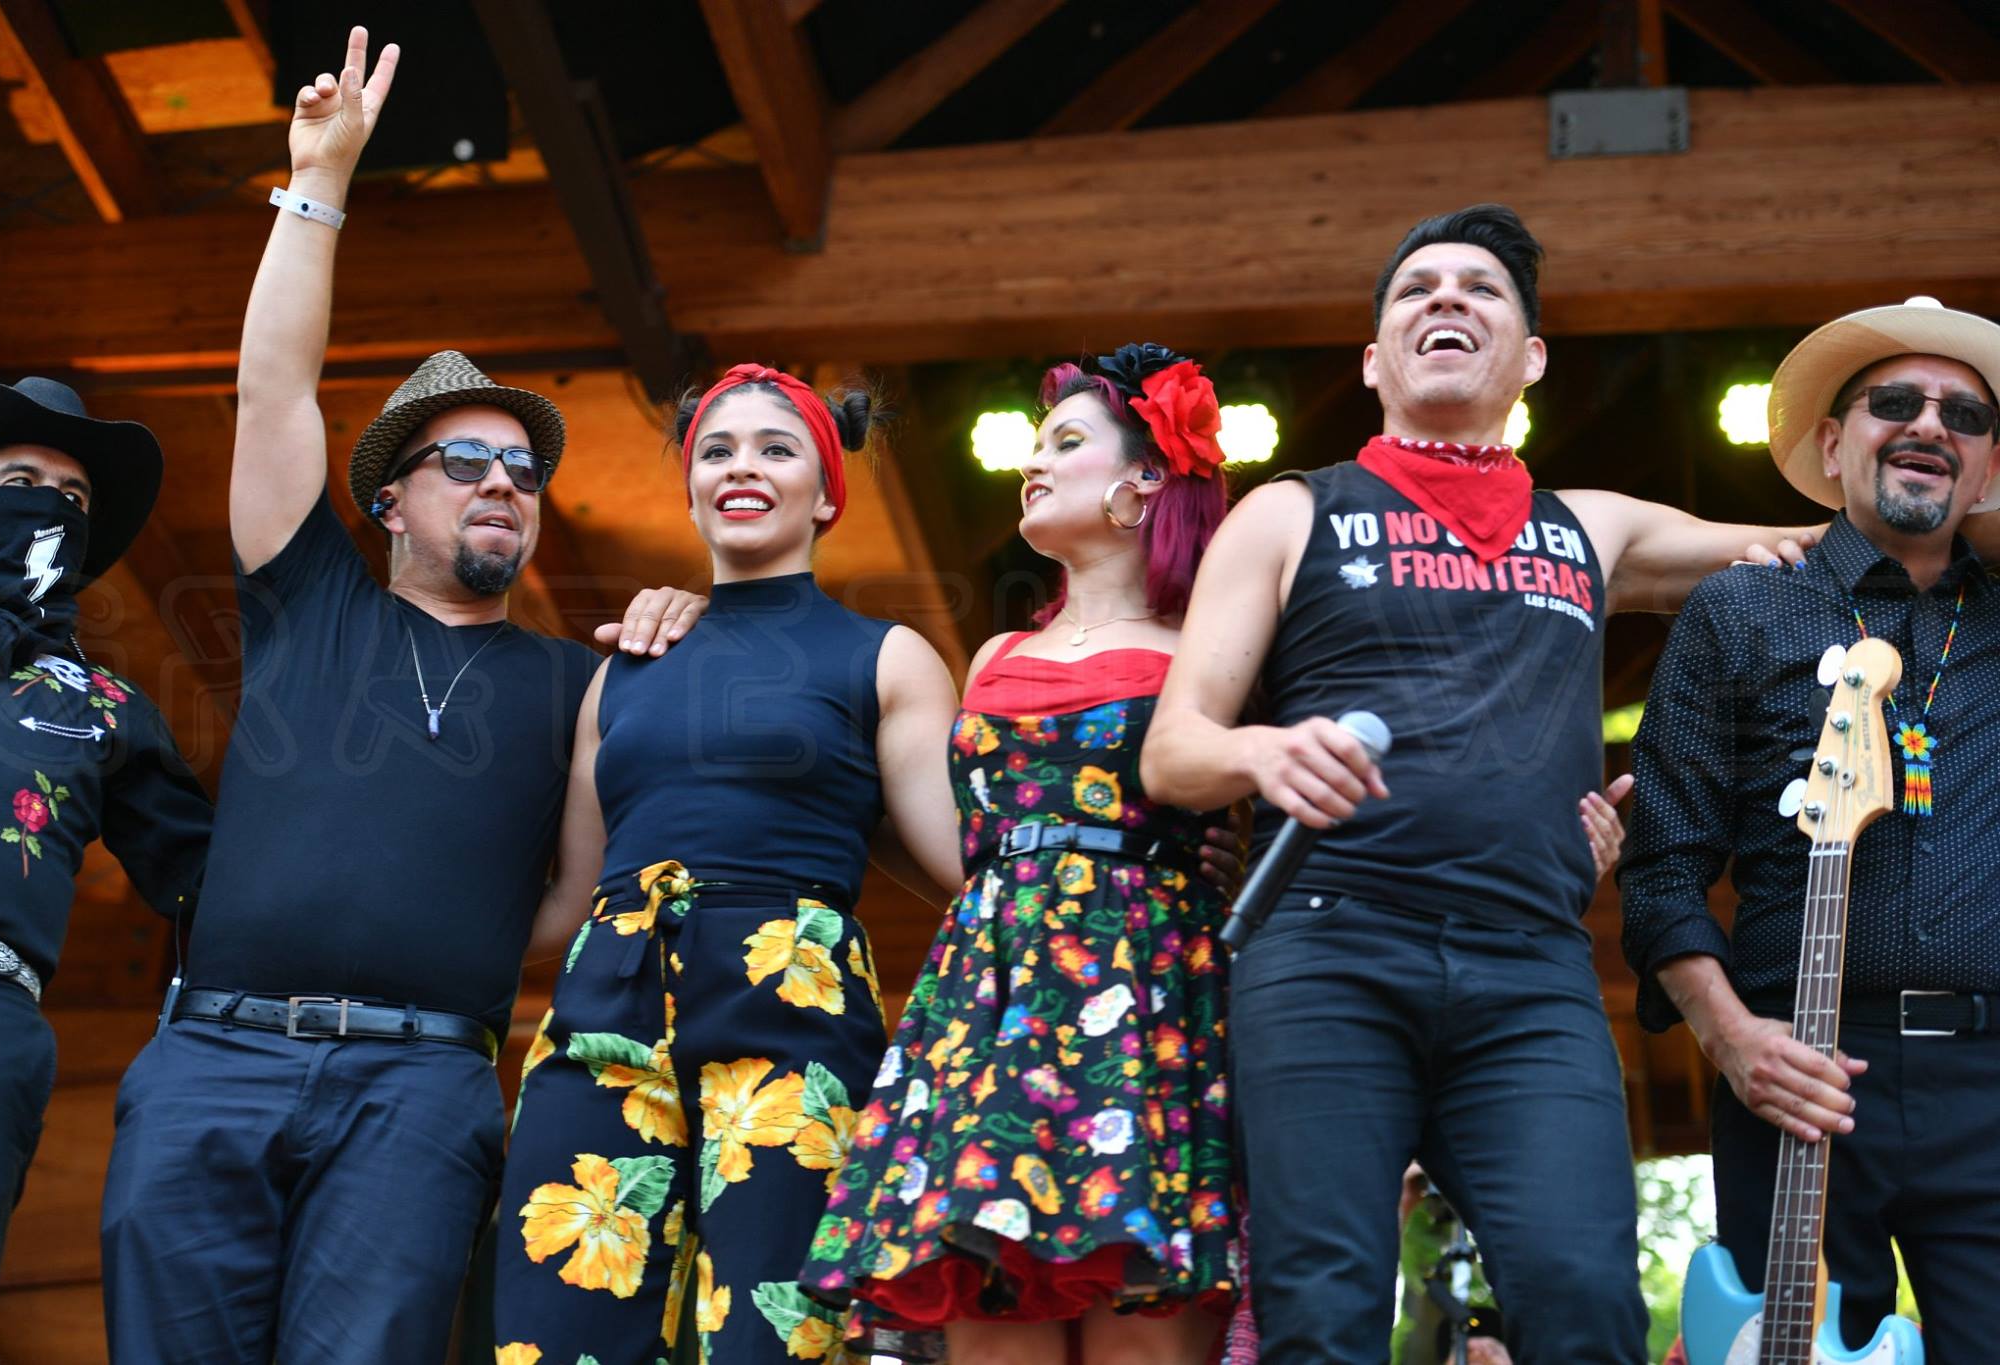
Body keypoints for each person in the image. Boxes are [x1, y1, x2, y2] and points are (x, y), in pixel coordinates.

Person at [97, 30, 697, 1362]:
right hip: (213, 1057)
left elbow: (570, 902)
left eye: (523, 471)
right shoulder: (310, 597)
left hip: (424, 1081)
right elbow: (271, 390)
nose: (501, 482)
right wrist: (317, 185)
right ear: (387, 499)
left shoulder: (580, 681)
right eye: (463, 460)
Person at [1139, 203, 1813, 1363]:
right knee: (1325, 1310)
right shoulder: (1290, 511)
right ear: (1372, 360)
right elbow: (1172, 750)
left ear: (1530, 357)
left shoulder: (1587, 528)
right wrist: (1263, 752)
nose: (1444, 299)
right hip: (1328, 949)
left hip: (1528, 966)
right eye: (1415, 289)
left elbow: (1814, 554)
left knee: (1582, 1299)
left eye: (1479, 289)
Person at [492, 362, 965, 1365]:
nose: (740, 466)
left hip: (788, 1007)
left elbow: (962, 868)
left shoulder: (885, 656)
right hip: (605, 1005)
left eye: (774, 448)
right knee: (561, 1331)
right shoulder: (624, 667)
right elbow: (569, 899)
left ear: (826, 493)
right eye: (717, 450)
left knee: (772, 1333)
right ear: (692, 487)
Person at [801, 345, 1241, 1365]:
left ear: (1145, 482)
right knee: (990, 1317)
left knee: (1141, 1320)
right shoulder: (995, 655)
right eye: (1032, 446)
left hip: (1140, 991)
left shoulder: (1209, 648)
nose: (1030, 464)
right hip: (990, 998)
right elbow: (957, 837)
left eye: (1065, 443)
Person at [1621, 296, 2000, 1359]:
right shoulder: (1739, 612)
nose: (1928, 424)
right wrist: (1730, 1040)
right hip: (1792, 1068)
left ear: (1985, 468)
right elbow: (1659, 874)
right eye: (1892, 402)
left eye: (1963, 417)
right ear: (1833, 445)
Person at [0, 376, 213, 1361]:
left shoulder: (110, 706)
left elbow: (215, 884)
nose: (43, 505)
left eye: (69, 499)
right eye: (19, 479)